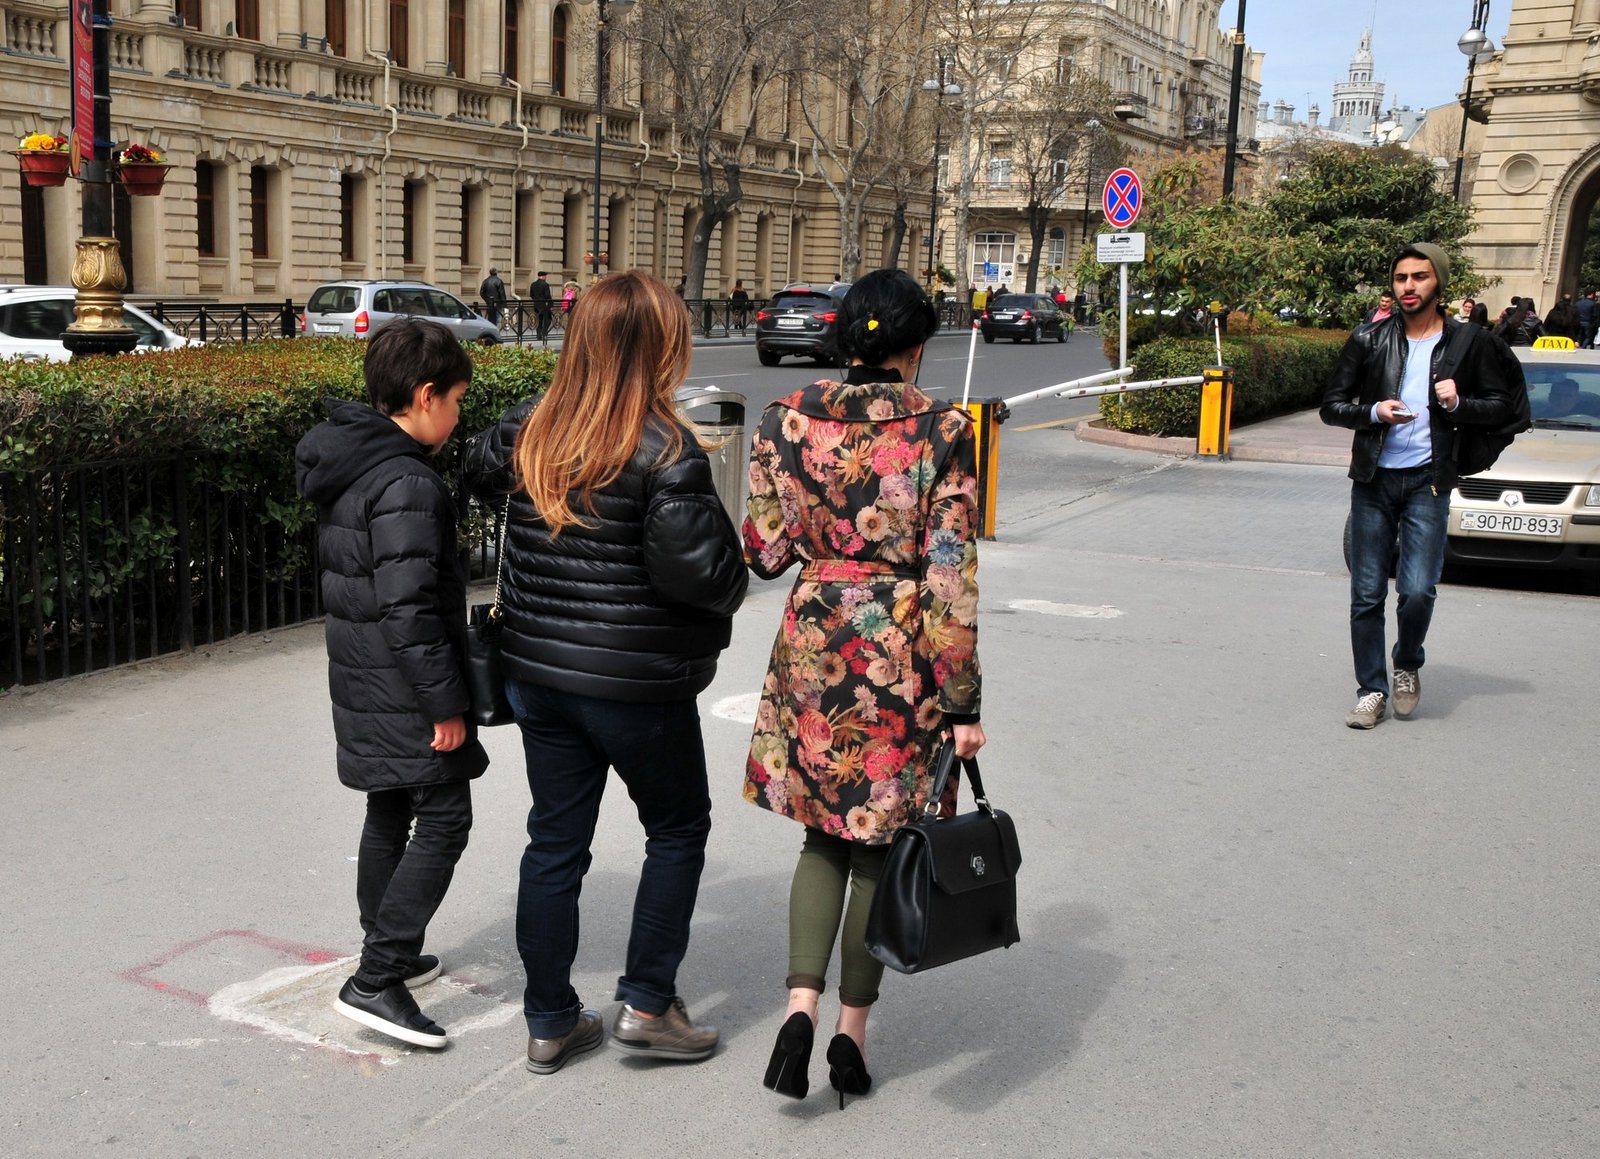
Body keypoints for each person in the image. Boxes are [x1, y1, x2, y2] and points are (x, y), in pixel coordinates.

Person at [463, 271, 748, 1075]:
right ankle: (648, 1004)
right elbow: (705, 577)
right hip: (635, 684)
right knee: (678, 828)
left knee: (554, 842)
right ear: (661, 347)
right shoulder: (665, 448)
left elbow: (478, 468)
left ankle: (550, 1019)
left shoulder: (534, 428)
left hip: (538, 674)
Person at [743, 268, 984, 1106]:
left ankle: (797, 1006)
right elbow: (950, 575)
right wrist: (963, 703)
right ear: (917, 346)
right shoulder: (945, 426)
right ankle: (850, 1032)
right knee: (877, 841)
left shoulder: (784, 416)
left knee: (820, 834)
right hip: (901, 650)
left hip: (814, 640)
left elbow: (763, 551)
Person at [294, 318, 489, 1048]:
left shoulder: (354, 462)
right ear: (424, 394)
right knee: (445, 817)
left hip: (368, 675)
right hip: (407, 682)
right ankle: (377, 977)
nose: (459, 415)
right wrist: (445, 702)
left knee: (390, 804)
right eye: (457, 400)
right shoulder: (407, 478)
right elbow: (408, 604)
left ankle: (391, 950)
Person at [1321, 242, 1517, 729]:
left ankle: (1406, 662)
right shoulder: (1369, 339)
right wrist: (1373, 411)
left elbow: (1502, 406)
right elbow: (1331, 405)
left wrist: (1458, 404)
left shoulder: (1466, 343)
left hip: (1429, 482)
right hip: (1374, 480)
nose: (1408, 286)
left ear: (1439, 283)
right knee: (1366, 593)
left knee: (1418, 590)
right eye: (1401, 277)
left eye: (1420, 277)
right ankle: (1371, 689)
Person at [529, 271, 554, 344]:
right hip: (544, 305)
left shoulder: (533, 284)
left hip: (536, 305)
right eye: (545, 276)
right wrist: (551, 305)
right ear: (543, 276)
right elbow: (547, 296)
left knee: (539, 320)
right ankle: (544, 332)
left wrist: (536, 300)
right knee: (548, 319)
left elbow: (531, 295)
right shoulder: (545, 284)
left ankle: (538, 335)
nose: (546, 277)